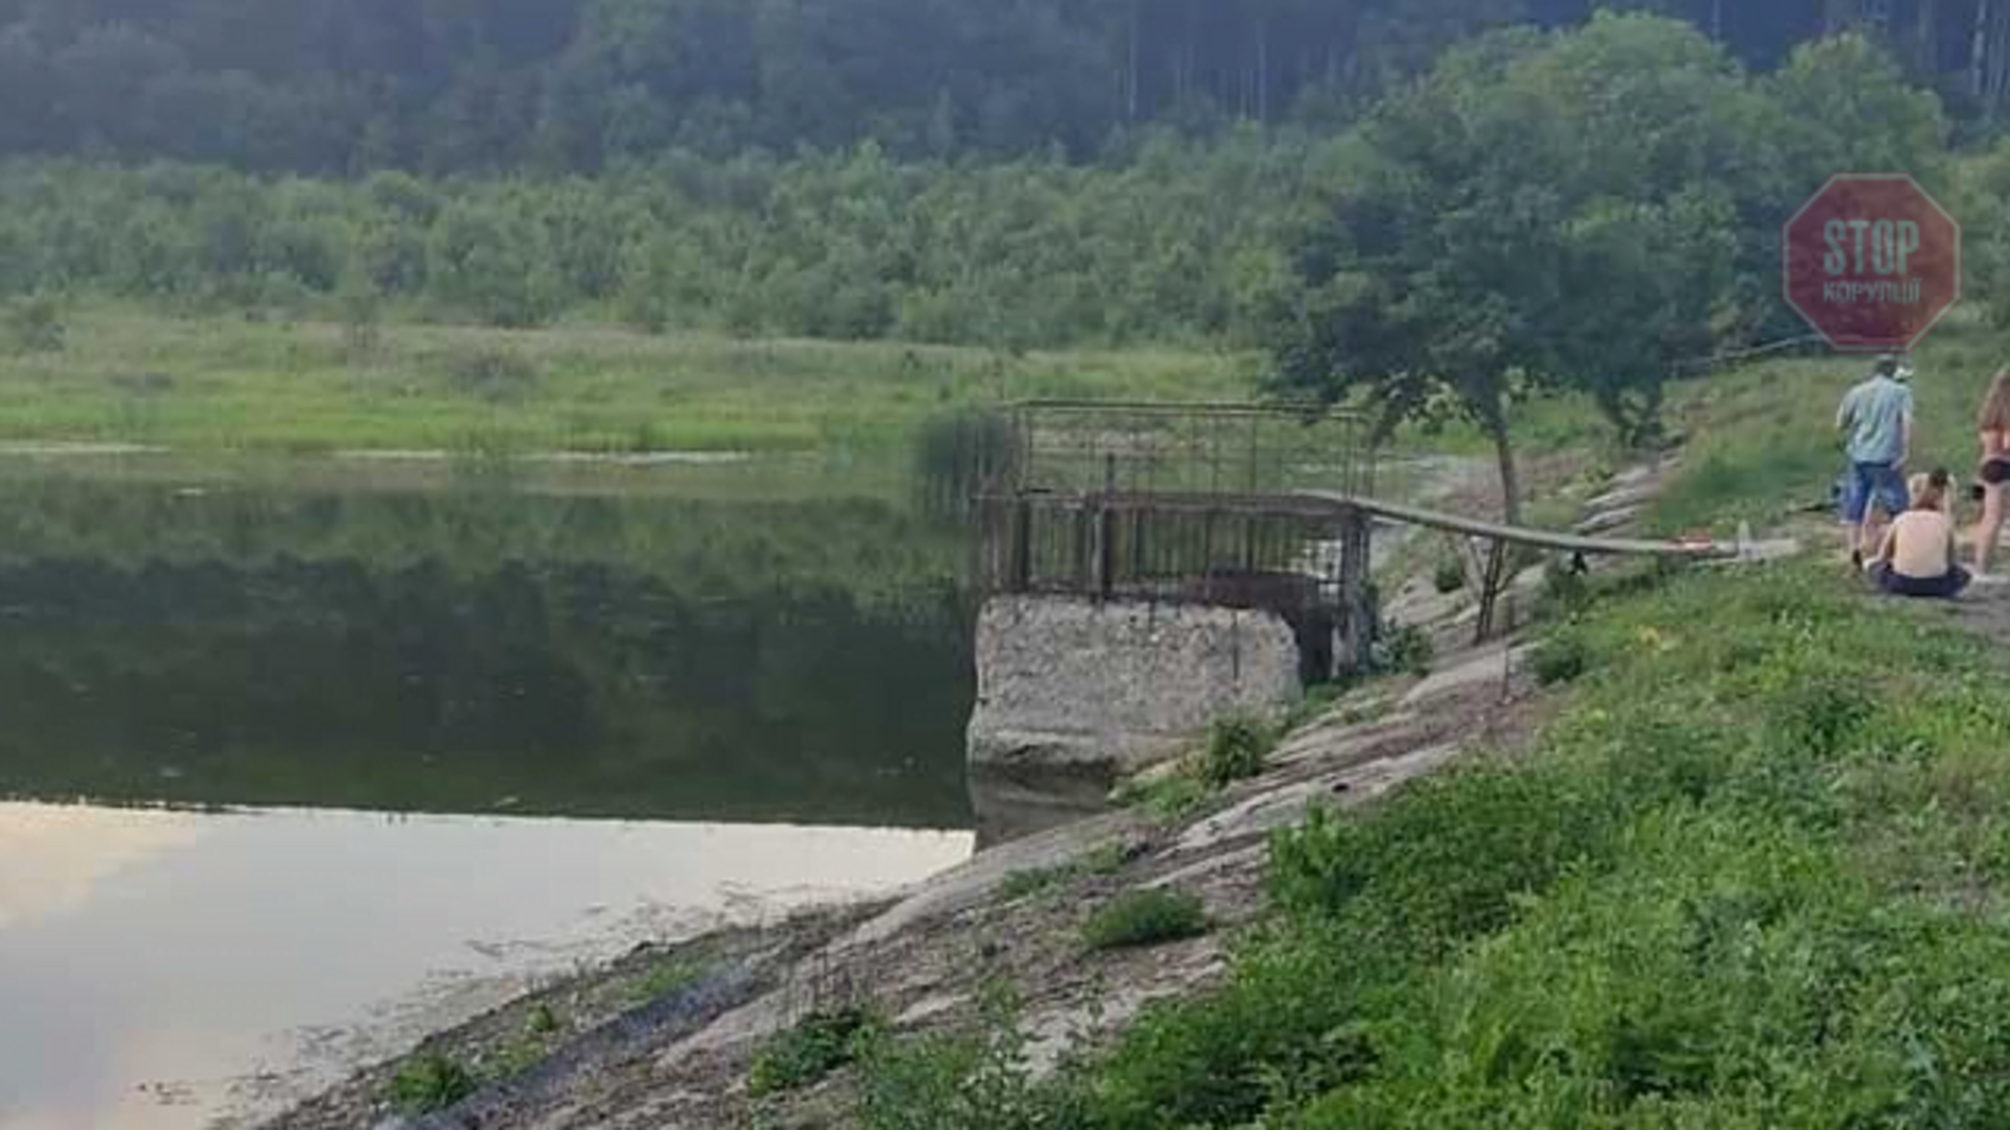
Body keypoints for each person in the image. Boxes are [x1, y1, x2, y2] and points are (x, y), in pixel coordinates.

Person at [1835, 355, 1914, 568]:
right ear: (1894, 372)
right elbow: (1906, 422)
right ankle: (1899, 553)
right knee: (1898, 506)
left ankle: (1854, 550)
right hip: (1885, 457)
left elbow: (1840, 424)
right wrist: (1905, 452)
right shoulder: (1901, 392)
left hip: (1858, 455)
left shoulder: (1856, 391)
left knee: (1855, 504)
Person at [1869, 469, 1970, 599]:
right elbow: (1951, 561)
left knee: (1872, 566)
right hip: (1938, 586)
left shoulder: (1901, 518)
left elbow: (1882, 557)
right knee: (1963, 574)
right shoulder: (1944, 521)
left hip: (1900, 583)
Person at [1972, 369, 2010, 575]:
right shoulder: (2008, 410)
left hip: (1987, 467)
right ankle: (1984, 566)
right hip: (2004, 466)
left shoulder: (1990, 411)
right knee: (1996, 520)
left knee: (1988, 520)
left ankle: (1982, 566)